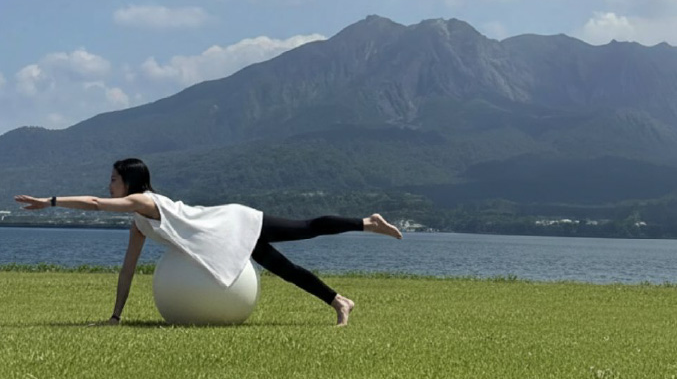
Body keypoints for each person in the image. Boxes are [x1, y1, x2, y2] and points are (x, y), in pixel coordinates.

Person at [14, 157, 402, 327]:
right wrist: (116, 316)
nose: (108, 184)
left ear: (129, 182)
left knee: (306, 227)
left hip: (233, 221)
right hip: (222, 238)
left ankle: (368, 222)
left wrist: (50, 201)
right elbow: (127, 270)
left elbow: (97, 204)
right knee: (285, 269)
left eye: (114, 178)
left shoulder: (144, 201)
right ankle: (340, 302)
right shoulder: (139, 222)